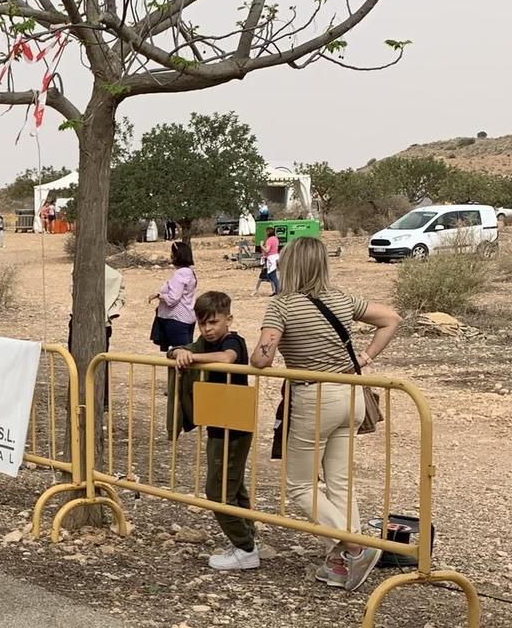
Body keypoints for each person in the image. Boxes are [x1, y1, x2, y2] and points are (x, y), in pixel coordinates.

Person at [252, 236, 402, 593]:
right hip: (351, 394)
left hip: (314, 397)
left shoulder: (282, 305)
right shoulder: (342, 299)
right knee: (340, 483)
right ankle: (342, 564)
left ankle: (356, 546)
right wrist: (364, 359)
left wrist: (261, 352)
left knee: (300, 486)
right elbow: (391, 319)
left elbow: (262, 358)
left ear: (288, 265)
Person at [170, 291, 257, 570]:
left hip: (234, 424)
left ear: (228, 319)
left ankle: (245, 548)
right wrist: (179, 351)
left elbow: (228, 357)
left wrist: (192, 358)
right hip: (219, 422)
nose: (207, 329)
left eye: (213, 322)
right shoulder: (201, 344)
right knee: (235, 486)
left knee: (218, 491)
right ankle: (249, 538)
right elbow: (178, 348)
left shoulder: (234, 341)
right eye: (202, 324)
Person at [152, 240, 198, 352]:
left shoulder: (179, 274)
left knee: (178, 354)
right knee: (186, 350)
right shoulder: (189, 272)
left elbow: (173, 299)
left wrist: (159, 295)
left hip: (176, 320)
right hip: (188, 317)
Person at [254, 230, 281, 296]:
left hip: (271, 258)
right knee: (273, 275)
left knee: (272, 275)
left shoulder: (269, 240)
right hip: (276, 256)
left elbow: (267, 250)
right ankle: (276, 290)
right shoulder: (276, 239)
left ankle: (278, 291)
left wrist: (261, 245)